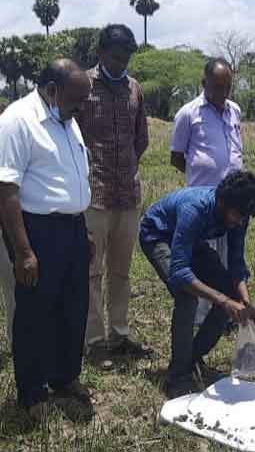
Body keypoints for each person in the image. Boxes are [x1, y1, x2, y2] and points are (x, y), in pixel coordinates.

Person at [0, 59, 93, 422]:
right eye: (76, 100)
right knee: (35, 314)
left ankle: (64, 376)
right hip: (36, 231)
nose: (81, 108)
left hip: (71, 230)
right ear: (52, 91)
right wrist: (23, 252)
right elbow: (6, 189)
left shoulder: (67, 120)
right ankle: (32, 391)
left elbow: (70, 179)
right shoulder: (17, 121)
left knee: (73, 308)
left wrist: (81, 230)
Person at [138, 171, 255, 398]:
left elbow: (236, 263)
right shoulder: (194, 209)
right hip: (158, 235)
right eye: (237, 215)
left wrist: (245, 302)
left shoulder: (239, 216)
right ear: (224, 203)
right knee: (187, 297)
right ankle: (178, 376)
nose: (240, 222)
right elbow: (180, 271)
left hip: (191, 240)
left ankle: (192, 359)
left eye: (245, 217)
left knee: (229, 292)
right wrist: (224, 301)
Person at [76, 24, 150, 365]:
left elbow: (141, 139)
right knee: (91, 272)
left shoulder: (134, 89)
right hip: (93, 195)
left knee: (121, 272)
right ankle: (94, 341)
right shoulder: (82, 86)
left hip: (127, 195)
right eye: (116, 57)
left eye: (126, 58)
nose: (122, 64)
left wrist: (127, 168)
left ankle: (119, 334)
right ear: (101, 52)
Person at [171, 58, 243, 325]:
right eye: (217, 87)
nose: (223, 93)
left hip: (234, 204)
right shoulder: (188, 114)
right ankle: (202, 317)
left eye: (227, 87)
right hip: (204, 203)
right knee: (204, 260)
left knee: (229, 257)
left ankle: (227, 313)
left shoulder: (234, 110)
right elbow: (177, 157)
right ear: (204, 84)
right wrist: (203, 173)